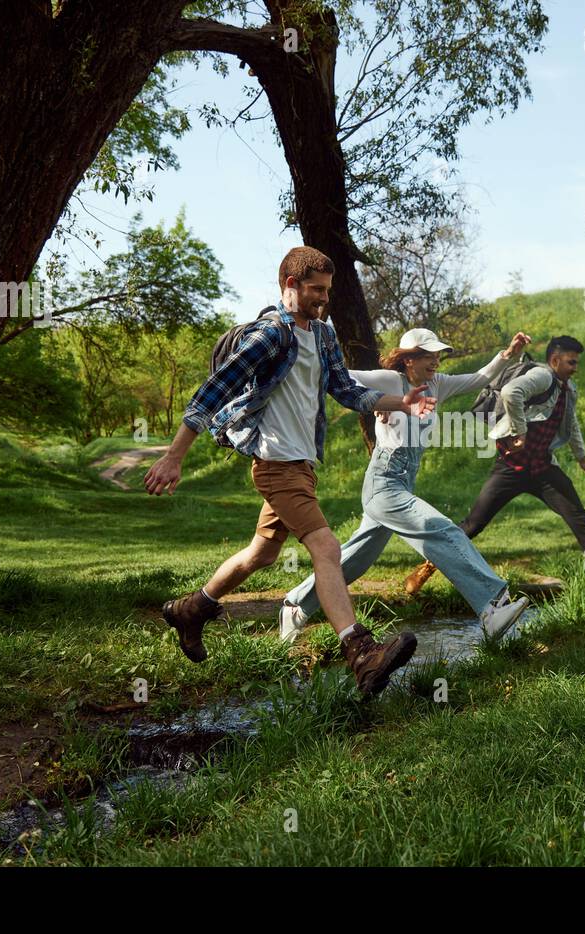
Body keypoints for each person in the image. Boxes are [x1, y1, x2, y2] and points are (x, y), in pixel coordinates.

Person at [143, 246, 436, 697]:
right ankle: (360, 653)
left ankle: (191, 609)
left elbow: (347, 390)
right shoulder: (269, 336)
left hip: (302, 464)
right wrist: (175, 455)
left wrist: (404, 400)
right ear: (290, 285)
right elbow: (210, 393)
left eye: (327, 291)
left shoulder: (321, 335)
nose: (323, 298)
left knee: (260, 554)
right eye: (315, 290)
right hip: (277, 465)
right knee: (326, 546)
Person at [278, 328, 535, 644]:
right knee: (440, 529)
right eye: (429, 355)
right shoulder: (389, 380)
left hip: (402, 483)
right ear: (409, 359)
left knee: (354, 560)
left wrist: (508, 353)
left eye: (438, 355)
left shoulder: (437, 385)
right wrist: (379, 401)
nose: (437, 361)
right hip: (383, 484)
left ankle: (296, 605)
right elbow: (340, 376)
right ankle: (492, 605)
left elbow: (480, 378)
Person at [405, 335, 585, 603]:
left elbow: (571, 423)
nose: (575, 367)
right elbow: (513, 392)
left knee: (580, 519)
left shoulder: (570, 387)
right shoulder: (542, 376)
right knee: (473, 524)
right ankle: (428, 567)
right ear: (555, 360)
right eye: (571, 362)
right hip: (510, 467)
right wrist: (520, 432)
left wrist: (583, 461)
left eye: (577, 362)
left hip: (543, 469)